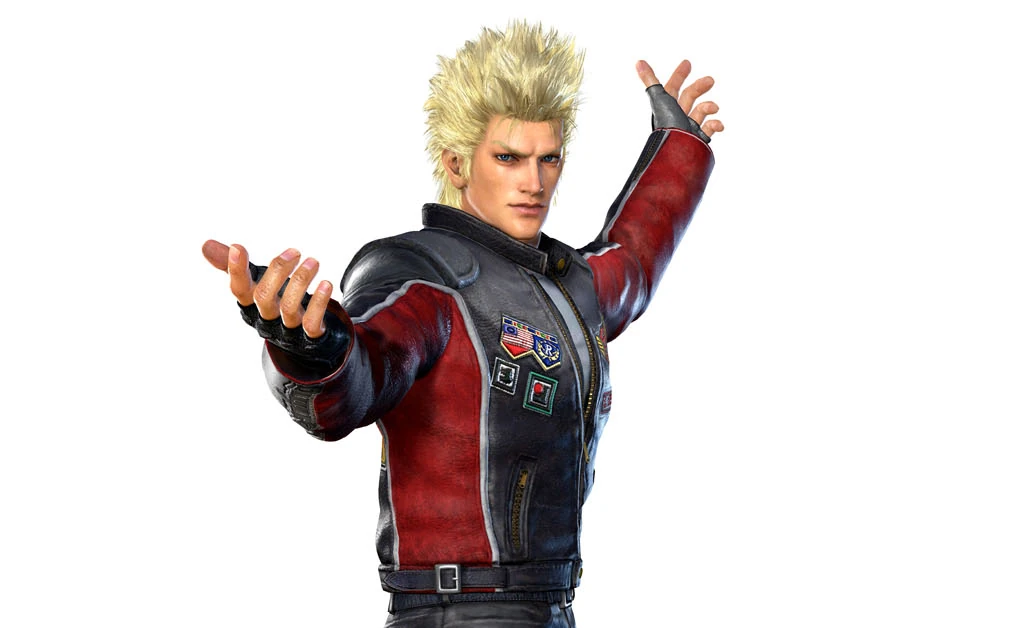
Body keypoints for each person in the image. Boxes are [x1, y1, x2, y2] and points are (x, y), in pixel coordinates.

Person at [203, 21, 722, 628]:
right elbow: (364, 370)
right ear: (455, 163)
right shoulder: (422, 273)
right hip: (451, 611)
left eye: (548, 158)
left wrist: (679, 145)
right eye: (508, 158)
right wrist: (311, 347)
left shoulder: (567, 286)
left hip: (553, 609)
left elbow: (631, 263)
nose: (534, 182)